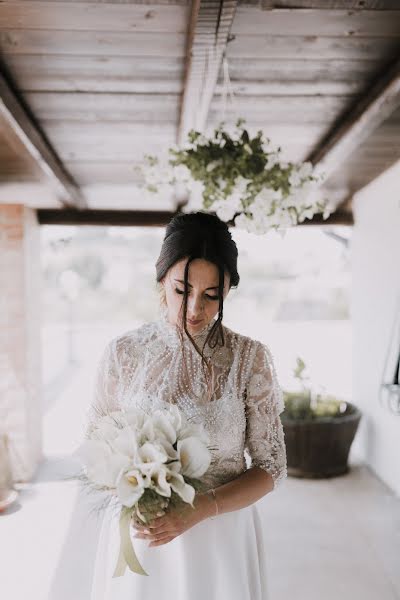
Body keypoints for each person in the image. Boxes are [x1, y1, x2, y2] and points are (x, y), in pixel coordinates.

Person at [85, 210, 287, 600]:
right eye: (182, 290)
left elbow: (270, 468)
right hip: (146, 538)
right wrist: (131, 492)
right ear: (161, 279)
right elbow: (96, 449)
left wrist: (201, 509)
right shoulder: (123, 354)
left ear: (228, 290)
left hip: (221, 541)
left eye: (211, 295)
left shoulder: (250, 358)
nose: (194, 309)